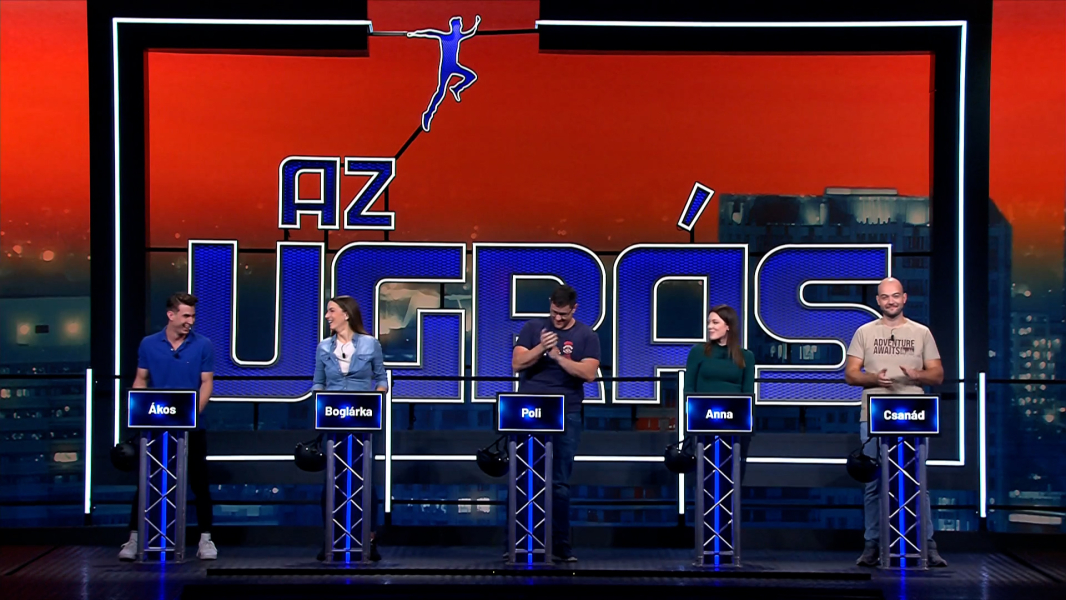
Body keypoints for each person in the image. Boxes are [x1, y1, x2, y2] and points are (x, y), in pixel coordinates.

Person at [845, 277, 947, 568]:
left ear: (904, 298)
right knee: (873, 483)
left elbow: (937, 374)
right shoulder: (864, 332)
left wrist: (918, 375)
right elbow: (851, 374)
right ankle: (872, 545)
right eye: (885, 297)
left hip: (913, 415)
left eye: (895, 296)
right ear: (878, 301)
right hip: (873, 415)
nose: (890, 301)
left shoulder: (921, 332)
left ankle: (927, 545)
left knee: (918, 481)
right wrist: (874, 379)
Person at [119, 293, 217, 561]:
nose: (190, 321)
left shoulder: (203, 345)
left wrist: (193, 414)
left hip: (192, 428)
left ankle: (206, 539)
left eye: (193, 316)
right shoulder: (149, 344)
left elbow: (206, 382)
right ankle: (134, 539)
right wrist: (137, 411)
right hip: (156, 426)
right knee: (146, 482)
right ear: (170, 315)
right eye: (186, 316)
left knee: (199, 482)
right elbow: (141, 379)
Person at [511, 284, 601, 562]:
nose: (558, 319)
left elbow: (589, 373)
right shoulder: (533, 328)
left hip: (567, 411)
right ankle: (517, 542)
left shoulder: (586, 335)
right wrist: (542, 347)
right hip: (529, 410)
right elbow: (517, 363)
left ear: (574, 309)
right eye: (554, 313)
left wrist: (558, 357)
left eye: (563, 314)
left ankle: (561, 545)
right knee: (523, 478)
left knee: (559, 481)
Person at [311, 295, 387, 561]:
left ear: (346, 314)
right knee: (332, 480)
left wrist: (373, 402)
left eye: (331, 311)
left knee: (364, 480)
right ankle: (330, 538)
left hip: (363, 419)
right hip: (333, 420)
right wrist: (321, 405)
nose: (327, 316)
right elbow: (318, 383)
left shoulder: (370, 344)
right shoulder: (323, 347)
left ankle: (369, 539)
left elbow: (382, 380)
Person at [683, 305, 755, 484]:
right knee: (706, 476)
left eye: (715, 322)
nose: (710, 326)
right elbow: (689, 387)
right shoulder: (698, 352)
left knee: (730, 475)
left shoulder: (746, 356)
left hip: (734, 425)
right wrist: (690, 415)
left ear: (728, 326)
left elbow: (748, 393)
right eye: (709, 322)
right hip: (703, 423)